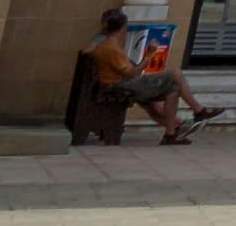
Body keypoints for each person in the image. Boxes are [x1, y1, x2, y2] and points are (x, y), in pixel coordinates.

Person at [77, 10, 212, 144]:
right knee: (175, 74)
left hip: (118, 82)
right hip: (120, 84)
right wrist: (149, 54)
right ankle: (198, 111)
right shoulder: (110, 46)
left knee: (174, 90)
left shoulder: (106, 43)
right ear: (123, 27)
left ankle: (171, 133)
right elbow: (132, 73)